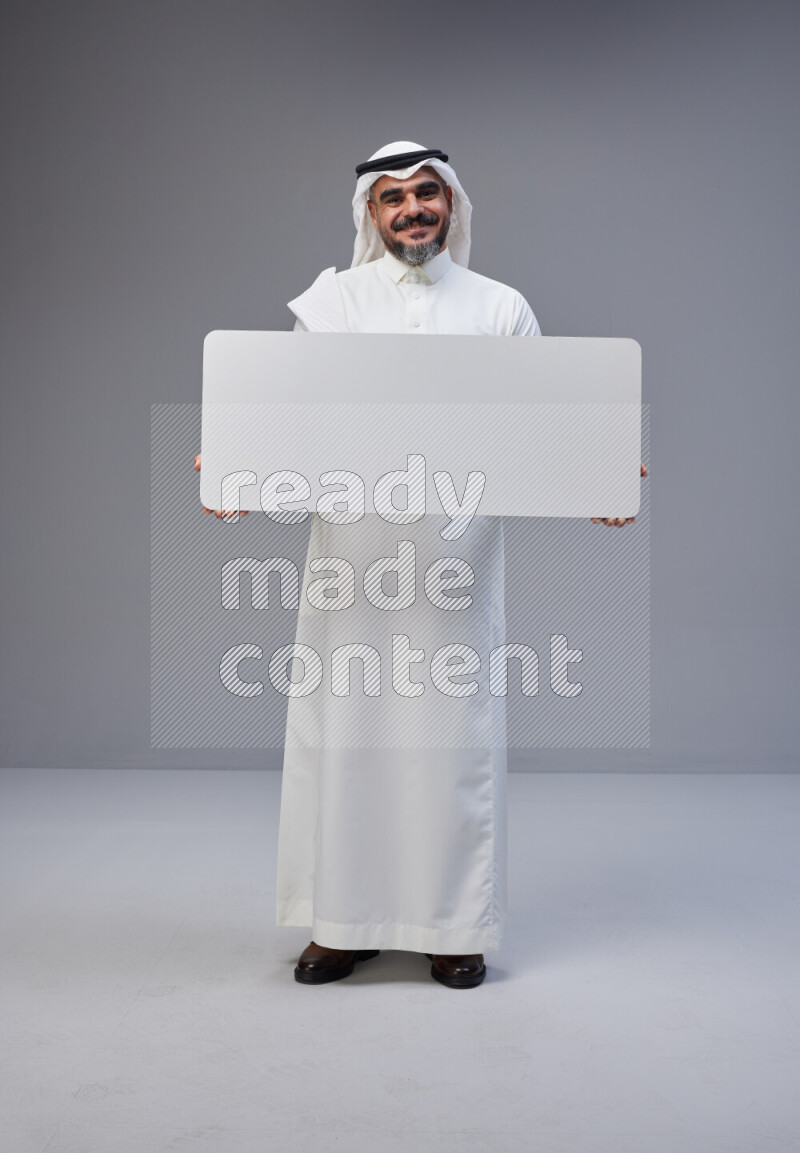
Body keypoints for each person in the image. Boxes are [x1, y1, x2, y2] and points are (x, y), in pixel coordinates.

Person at [196, 140, 646, 989]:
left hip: (453, 565)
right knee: (350, 739)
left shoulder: (501, 307)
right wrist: (232, 465)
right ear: (370, 211)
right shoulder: (331, 306)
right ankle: (342, 923)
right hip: (352, 565)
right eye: (393, 197)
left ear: (452, 205)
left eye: (427, 193)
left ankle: (453, 925)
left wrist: (602, 468)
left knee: (449, 742)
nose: (412, 209)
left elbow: (547, 425)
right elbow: (287, 422)